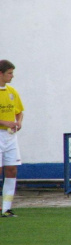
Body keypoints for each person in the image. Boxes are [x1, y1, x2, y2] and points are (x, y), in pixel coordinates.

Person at [0, 60, 24, 217]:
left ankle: (6, 207)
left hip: (10, 136)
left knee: (12, 169)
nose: (12, 76)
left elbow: (19, 110)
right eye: (9, 73)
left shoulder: (12, 91)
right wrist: (4, 122)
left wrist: (18, 122)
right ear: (0, 74)